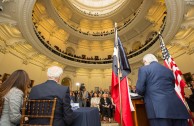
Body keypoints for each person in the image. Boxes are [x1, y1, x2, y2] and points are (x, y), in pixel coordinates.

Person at [136, 54, 190, 126]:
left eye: (144, 62)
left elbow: (140, 89)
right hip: (177, 108)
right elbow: (172, 85)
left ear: (145, 61)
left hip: (158, 110)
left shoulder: (144, 69)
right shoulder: (168, 70)